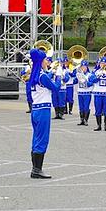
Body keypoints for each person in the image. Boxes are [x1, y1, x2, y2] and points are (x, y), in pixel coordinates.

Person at [27, 47, 59, 179]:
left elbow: (30, 95)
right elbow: (55, 88)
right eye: (46, 59)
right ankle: (37, 169)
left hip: (35, 108)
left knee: (36, 138)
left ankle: (35, 168)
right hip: (43, 110)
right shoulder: (42, 75)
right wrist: (58, 77)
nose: (47, 61)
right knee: (42, 139)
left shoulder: (34, 75)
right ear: (41, 60)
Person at [75, 61, 92, 126]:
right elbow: (75, 82)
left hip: (87, 93)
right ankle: (81, 120)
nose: (83, 68)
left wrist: (86, 82)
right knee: (81, 107)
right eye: (82, 67)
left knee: (86, 107)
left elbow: (91, 83)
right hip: (80, 92)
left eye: (84, 67)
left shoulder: (89, 75)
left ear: (87, 67)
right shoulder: (79, 74)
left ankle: (86, 120)